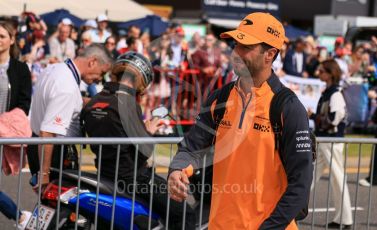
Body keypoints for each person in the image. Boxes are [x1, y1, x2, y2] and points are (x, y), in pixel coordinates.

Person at [168, 12, 313, 229]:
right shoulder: (220, 98)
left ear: (270, 54)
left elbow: (300, 185)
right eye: (236, 45)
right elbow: (191, 147)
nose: (236, 52)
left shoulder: (288, 107)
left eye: (246, 47)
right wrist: (177, 171)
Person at [81, 52, 196, 229]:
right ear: (142, 77)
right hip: (133, 179)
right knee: (184, 213)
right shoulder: (126, 102)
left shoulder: (94, 102)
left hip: (105, 173)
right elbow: (144, 151)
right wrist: (148, 131)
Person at [28, 44, 113, 190]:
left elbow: (58, 102)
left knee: (49, 207)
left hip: (38, 147)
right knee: (62, 210)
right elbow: (47, 132)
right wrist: (44, 174)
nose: (100, 79)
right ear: (92, 61)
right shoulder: (66, 86)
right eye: (102, 72)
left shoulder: (55, 69)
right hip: (53, 154)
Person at [308, 59, 353, 229]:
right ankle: (294, 209)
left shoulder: (334, 93)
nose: (319, 73)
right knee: (310, 175)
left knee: (338, 179)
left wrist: (314, 117)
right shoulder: (329, 92)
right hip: (325, 140)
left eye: (322, 71)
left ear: (330, 73)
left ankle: (346, 220)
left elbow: (335, 119)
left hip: (331, 141)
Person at [0, 21, 32, 229]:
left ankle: (20, 216)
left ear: (12, 40)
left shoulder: (20, 70)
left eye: (2, 36)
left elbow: (24, 104)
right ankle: (20, 217)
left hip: (4, 134)